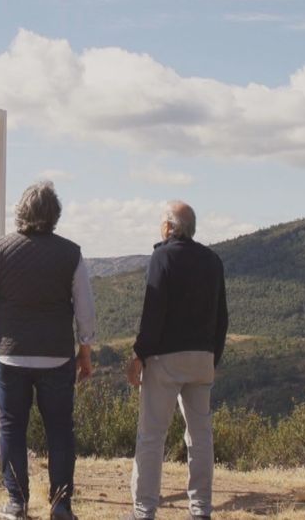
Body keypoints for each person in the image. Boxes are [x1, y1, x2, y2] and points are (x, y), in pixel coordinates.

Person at [0, 181, 95, 520]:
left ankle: (16, 502)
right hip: (57, 355)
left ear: (21, 212)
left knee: (11, 426)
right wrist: (85, 351)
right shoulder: (72, 253)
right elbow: (85, 309)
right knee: (60, 430)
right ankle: (61, 505)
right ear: (55, 215)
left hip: (11, 354)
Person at [125, 201, 228, 520]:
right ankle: (201, 510)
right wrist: (213, 357)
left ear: (169, 227)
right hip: (202, 358)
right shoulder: (212, 260)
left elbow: (153, 311)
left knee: (152, 435)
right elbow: (222, 316)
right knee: (200, 436)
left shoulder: (162, 257)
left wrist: (139, 353)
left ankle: (144, 511)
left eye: (161, 222)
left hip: (165, 358)